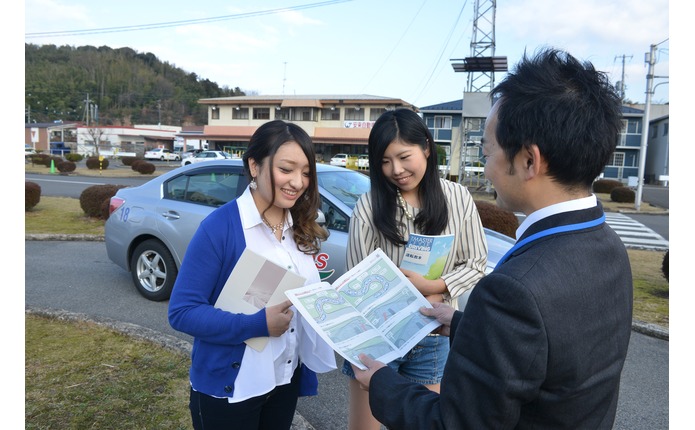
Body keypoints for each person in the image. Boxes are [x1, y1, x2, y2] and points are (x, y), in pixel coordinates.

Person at [351, 48, 634, 429]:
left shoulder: (514, 290)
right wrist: (466, 322)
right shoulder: (609, 248)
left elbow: (456, 423)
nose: (485, 166)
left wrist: (383, 382)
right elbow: (547, 353)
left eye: (487, 151)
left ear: (529, 161)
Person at [168, 120, 337, 430]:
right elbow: (182, 312)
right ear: (255, 166)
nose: (298, 182)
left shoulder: (298, 227)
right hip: (234, 389)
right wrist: (257, 324)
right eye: (286, 170)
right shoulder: (219, 228)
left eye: (306, 173)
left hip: (283, 380)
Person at [343, 108, 489, 430]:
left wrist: (434, 286)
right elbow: (355, 281)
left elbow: (476, 262)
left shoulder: (458, 197)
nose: (396, 170)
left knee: (424, 425)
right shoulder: (369, 206)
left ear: (426, 146)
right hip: (378, 337)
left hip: (434, 334)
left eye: (404, 156)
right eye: (384, 161)